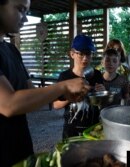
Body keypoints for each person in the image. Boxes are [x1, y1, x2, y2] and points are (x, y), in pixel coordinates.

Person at [0, 0, 90, 166]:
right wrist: (63, 86)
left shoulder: (11, 50)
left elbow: (31, 93)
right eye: (20, 9)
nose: (25, 19)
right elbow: (8, 104)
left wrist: (64, 96)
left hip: (20, 146)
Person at [53, 34, 105, 139]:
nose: (85, 58)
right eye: (81, 54)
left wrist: (102, 93)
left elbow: (102, 103)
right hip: (71, 129)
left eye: (88, 54)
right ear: (72, 54)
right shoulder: (65, 76)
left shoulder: (98, 75)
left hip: (93, 128)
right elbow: (55, 105)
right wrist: (71, 97)